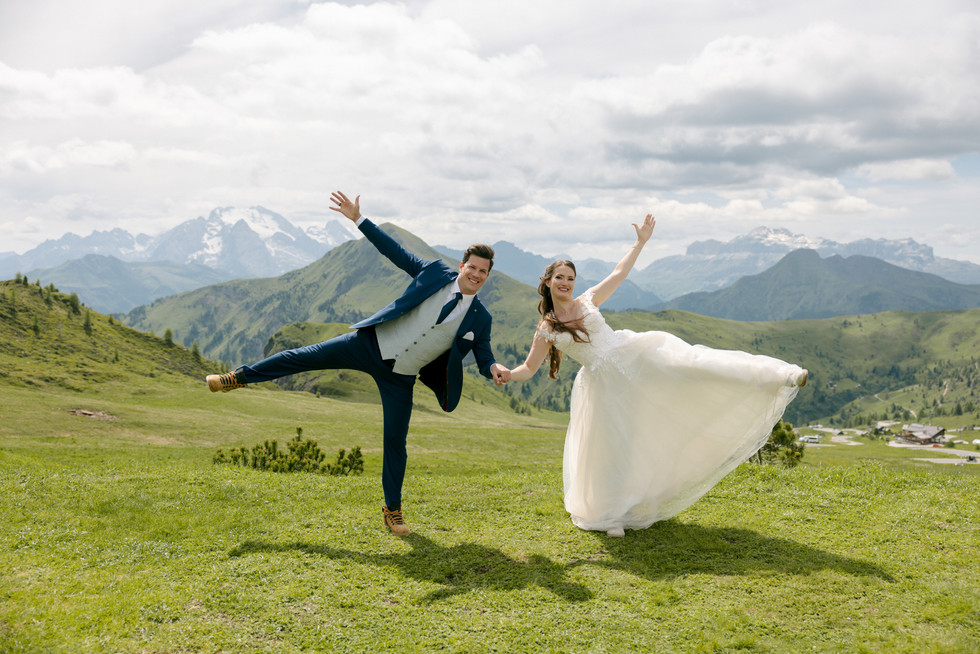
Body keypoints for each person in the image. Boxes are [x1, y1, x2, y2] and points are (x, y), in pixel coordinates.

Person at [206, 191, 509, 536]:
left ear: (488, 275)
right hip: (367, 345)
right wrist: (358, 219)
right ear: (462, 265)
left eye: (483, 271)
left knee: (395, 441)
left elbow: (483, 353)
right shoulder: (435, 273)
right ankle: (237, 378)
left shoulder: (480, 317)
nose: (476, 274)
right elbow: (396, 252)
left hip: (401, 377)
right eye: (472, 267)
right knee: (303, 357)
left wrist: (493, 368)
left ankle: (392, 510)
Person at [504, 214, 808, 537]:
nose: (566, 283)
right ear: (548, 281)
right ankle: (611, 515)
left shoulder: (588, 300)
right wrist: (507, 374)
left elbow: (619, 273)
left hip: (635, 356)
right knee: (615, 447)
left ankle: (779, 375)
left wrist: (640, 242)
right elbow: (529, 368)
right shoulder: (547, 328)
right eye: (560, 277)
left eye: (570, 278)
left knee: (694, 364)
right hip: (605, 386)